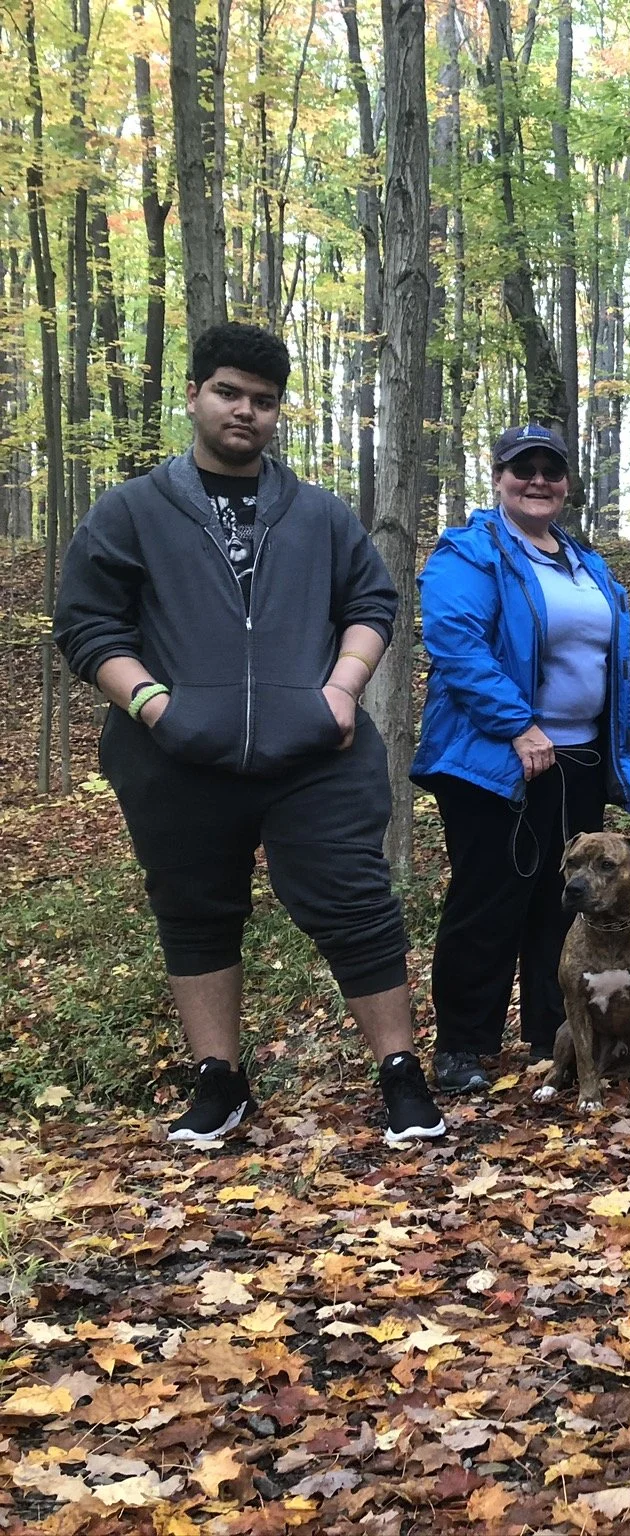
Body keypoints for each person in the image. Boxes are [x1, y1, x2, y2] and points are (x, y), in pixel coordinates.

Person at [53, 322, 446, 1148]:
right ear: (194, 395)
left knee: (354, 902)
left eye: (263, 401)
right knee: (196, 909)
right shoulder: (132, 511)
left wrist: (342, 692)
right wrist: (157, 707)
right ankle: (220, 1082)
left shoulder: (317, 515)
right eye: (228, 393)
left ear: (277, 414)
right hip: (174, 757)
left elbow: (372, 605)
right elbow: (89, 627)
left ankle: (402, 1073)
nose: (245, 411)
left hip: (316, 755)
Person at [410, 423, 630, 1094]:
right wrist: (519, 727)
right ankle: (463, 1046)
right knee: (490, 900)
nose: (538, 480)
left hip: (577, 758)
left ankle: (555, 1032)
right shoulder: (470, 551)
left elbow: (607, 657)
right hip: (496, 762)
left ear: (567, 482)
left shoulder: (581, 559)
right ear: (499, 475)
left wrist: (616, 740)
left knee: (567, 901)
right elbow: (456, 643)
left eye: (551, 469)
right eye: (524, 468)